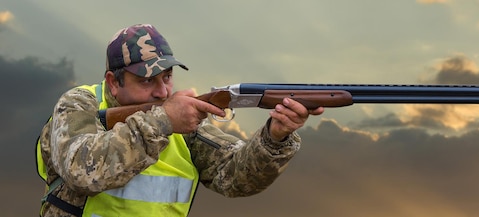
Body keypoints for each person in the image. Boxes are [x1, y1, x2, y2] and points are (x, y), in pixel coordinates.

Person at [36, 23, 324, 216]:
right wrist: (162, 122)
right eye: (147, 80)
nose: (162, 91)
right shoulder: (79, 104)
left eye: (168, 77)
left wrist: (276, 136)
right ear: (113, 82)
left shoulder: (179, 120)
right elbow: (82, 171)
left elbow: (235, 178)